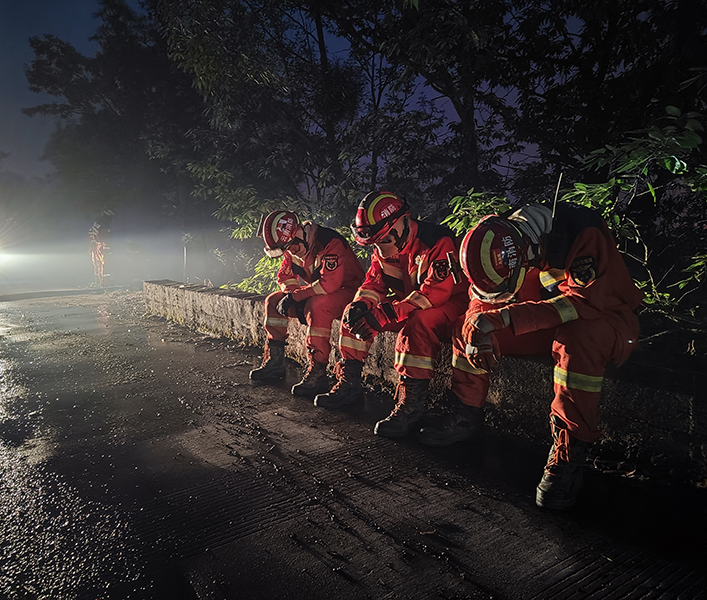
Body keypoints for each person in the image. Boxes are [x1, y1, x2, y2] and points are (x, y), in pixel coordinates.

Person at [418, 202, 642, 510]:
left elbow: (580, 305)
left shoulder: (583, 233)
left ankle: (569, 450)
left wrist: (505, 318)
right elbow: (484, 299)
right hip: (543, 321)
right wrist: (479, 327)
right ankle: (464, 412)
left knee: (577, 338)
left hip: (603, 321)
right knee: (466, 326)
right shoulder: (496, 241)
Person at [314, 191, 470, 438]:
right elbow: (374, 282)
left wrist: (387, 314)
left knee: (418, 324)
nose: (379, 248)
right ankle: (349, 383)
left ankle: (412, 404)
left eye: (382, 240)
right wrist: (361, 303)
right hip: (411, 302)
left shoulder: (438, 241)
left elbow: (435, 293)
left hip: (451, 303)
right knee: (352, 315)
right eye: (374, 243)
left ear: (401, 222)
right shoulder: (385, 244)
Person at [250, 210, 365, 397]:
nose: (292, 250)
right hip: (318, 292)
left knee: (317, 306)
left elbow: (330, 283)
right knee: (273, 301)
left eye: (292, 245)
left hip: (348, 293)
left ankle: (318, 372)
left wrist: (298, 296)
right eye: (287, 248)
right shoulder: (292, 248)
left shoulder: (330, 243)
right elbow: (285, 276)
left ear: (299, 231)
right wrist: (291, 294)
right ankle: (275, 362)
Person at [89, 210, 113, 286]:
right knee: (105, 264)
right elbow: (104, 236)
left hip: (95, 246)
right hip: (101, 247)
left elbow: (90, 233)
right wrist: (107, 247)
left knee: (97, 264)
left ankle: (97, 282)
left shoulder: (97, 223)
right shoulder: (105, 224)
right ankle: (105, 283)